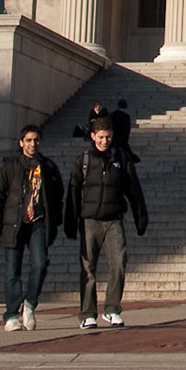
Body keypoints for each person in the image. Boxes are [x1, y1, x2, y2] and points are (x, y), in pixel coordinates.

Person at [0, 123, 64, 332]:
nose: (33, 144)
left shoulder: (48, 167)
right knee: (12, 272)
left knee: (40, 264)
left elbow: (58, 196)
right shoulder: (10, 167)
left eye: (36, 140)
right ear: (21, 142)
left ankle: (30, 303)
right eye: (29, 140)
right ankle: (11, 315)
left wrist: (56, 222)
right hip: (14, 224)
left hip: (38, 223)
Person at [65, 116, 148, 330]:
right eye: (101, 137)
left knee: (119, 263)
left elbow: (133, 188)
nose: (105, 141)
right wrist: (70, 222)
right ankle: (87, 313)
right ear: (92, 136)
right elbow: (73, 191)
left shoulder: (121, 157)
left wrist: (141, 216)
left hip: (113, 219)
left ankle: (111, 309)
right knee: (88, 268)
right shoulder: (83, 160)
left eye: (108, 136)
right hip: (89, 220)